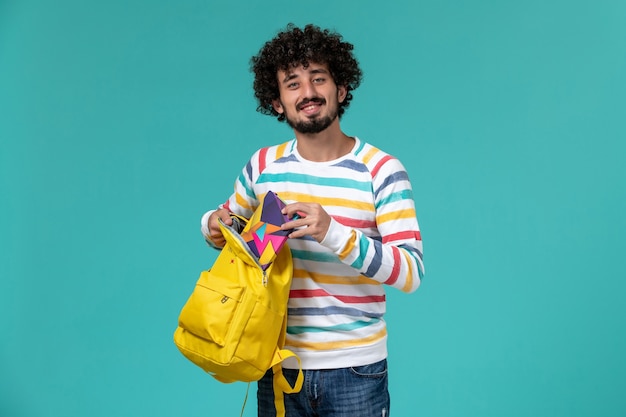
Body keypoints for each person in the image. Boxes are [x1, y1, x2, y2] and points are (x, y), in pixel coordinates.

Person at [201, 23, 425, 417]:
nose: (307, 93)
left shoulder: (381, 170)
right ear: (276, 102)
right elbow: (223, 222)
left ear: (340, 89)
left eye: (318, 78)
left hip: (356, 368)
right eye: (292, 84)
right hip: (275, 364)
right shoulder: (263, 166)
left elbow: (410, 272)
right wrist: (215, 224)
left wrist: (333, 233)